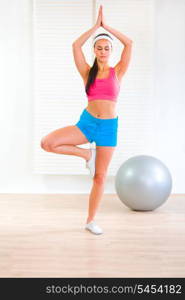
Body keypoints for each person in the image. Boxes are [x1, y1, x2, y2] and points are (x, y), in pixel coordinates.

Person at [40, 5, 133, 235]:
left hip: (108, 128)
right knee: (47, 143)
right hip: (87, 123)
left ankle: (91, 221)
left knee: (100, 177)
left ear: (110, 50)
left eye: (106, 48)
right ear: (94, 50)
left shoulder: (117, 71)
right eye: (99, 48)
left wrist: (106, 27)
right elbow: (75, 46)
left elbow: (129, 43)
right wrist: (94, 28)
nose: (103, 51)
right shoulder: (86, 72)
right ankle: (85, 154)